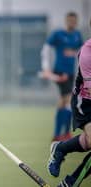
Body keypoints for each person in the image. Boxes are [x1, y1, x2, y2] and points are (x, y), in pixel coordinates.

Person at [47, 28, 91, 187]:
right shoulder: (87, 52)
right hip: (85, 102)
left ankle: (61, 148)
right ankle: (70, 183)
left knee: (89, 142)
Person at [40, 12, 83, 141]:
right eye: (70, 20)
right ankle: (63, 133)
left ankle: (59, 134)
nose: (72, 23)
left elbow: (81, 53)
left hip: (71, 74)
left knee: (64, 102)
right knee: (68, 99)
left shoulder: (77, 36)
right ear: (66, 21)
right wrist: (46, 68)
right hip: (59, 72)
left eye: (74, 21)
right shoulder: (58, 34)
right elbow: (46, 48)